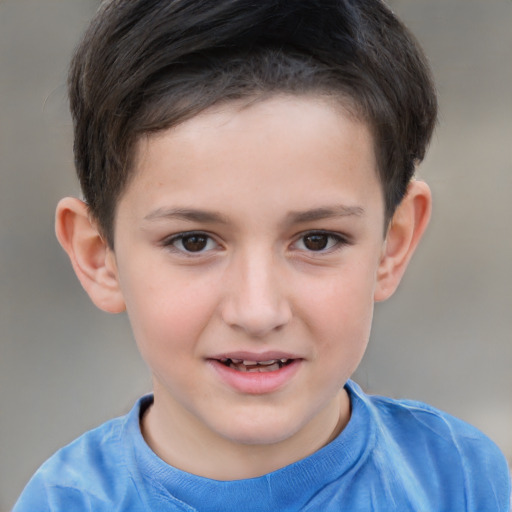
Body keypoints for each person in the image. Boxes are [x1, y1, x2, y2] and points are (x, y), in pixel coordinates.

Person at [13, 0, 510, 510]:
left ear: (393, 243)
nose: (258, 311)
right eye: (193, 241)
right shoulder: (65, 503)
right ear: (100, 257)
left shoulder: (460, 478)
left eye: (317, 240)